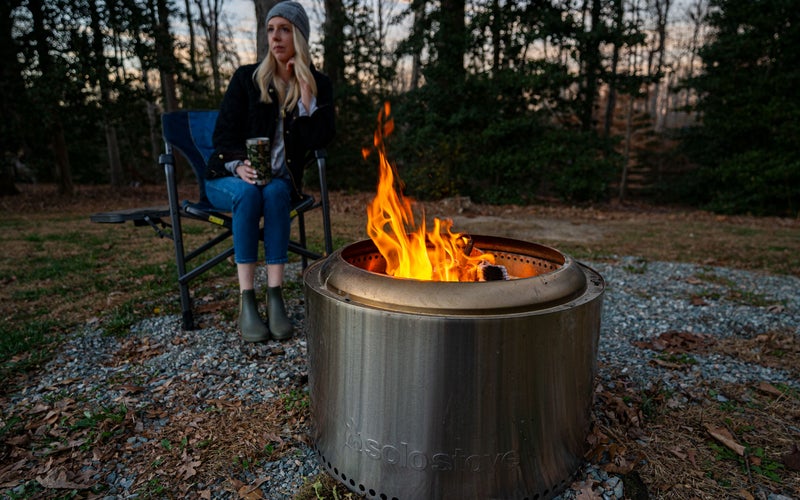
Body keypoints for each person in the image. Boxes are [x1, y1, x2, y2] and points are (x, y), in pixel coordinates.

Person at [205, 1, 335, 343]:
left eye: (285, 29)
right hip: (228, 179)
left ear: (300, 36)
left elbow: (321, 139)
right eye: (271, 29)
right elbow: (222, 136)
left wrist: (306, 98)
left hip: (278, 182)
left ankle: (274, 297)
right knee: (249, 193)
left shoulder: (318, 84)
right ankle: (247, 300)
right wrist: (238, 165)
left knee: (276, 192)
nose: (275, 37)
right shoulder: (247, 79)